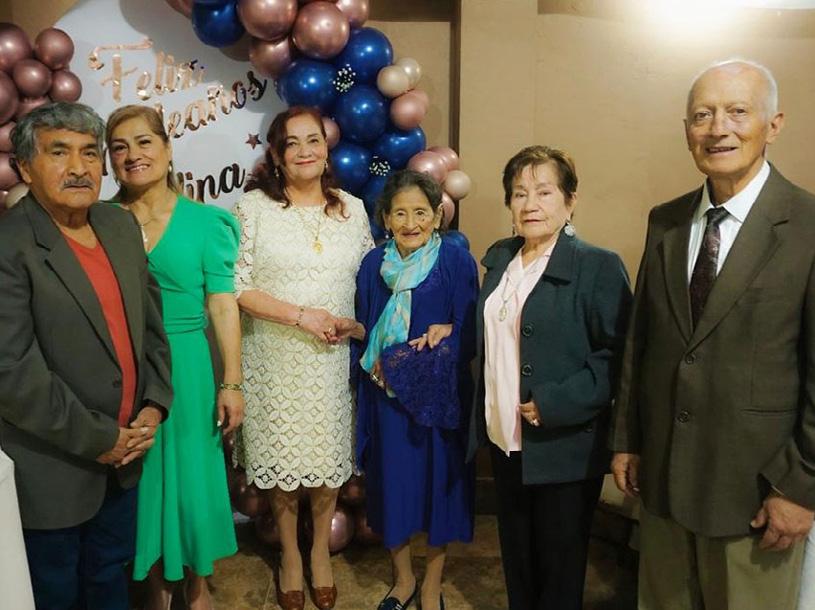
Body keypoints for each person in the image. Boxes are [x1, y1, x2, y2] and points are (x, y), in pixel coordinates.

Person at [610, 59, 815, 610]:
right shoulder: (666, 220)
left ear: (773, 125)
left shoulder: (807, 225)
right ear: (687, 130)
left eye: (737, 111)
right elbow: (641, 342)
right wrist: (628, 439)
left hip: (758, 497)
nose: (718, 128)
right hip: (663, 484)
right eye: (702, 115)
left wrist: (800, 488)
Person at [0, 102, 173, 610]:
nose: (78, 167)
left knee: (109, 579)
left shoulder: (118, 225)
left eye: (89, 153)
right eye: (59, 153)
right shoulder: (10, 246)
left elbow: (151, 326)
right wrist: (101, 439)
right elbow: (12, 372)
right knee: (55, 592)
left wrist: (154, 404)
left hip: (125, 460)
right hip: (52, 470)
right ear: (25, 167)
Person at [467, 145, 632, 610]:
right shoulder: (500, 259)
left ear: (570, 200)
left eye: (544, 192)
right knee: (518, 564)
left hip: (563, 446)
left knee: (559, 572)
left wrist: (555, 402)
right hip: (505, 439)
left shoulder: (597, 266)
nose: (530, 204)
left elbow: (619, 356)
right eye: (519, 193)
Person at [232, 106, 374, 610]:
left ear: (326, 149)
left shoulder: (353, 209)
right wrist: (299, 316)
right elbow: (237, 287)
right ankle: (291, 554)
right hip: (274, 358)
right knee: (283, 461)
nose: (304, 150)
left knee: (328, 464)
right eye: (291, 143)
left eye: (313, 140)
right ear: (276, 155)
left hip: (333, 362)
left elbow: (370, 281)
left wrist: (356, 325)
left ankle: (319, 554)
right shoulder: (252, 208)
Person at [105, 104, 244, 610]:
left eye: (144, 142)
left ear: (167, 149)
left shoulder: (207, 222)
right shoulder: (100, 221)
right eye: (119, 147)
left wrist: (232, 382)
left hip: (187, 367)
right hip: (123, 366)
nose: (132, 155)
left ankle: (197, 586)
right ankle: (154, 587)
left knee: (191, 478)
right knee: (141, 480)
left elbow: (222, 305)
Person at [354, 169, 478, 610]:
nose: (411, 223)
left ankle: (431, 586)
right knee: (394, 489)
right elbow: (366, 329)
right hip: (386, 400)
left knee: (438, 491)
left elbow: (471, 333)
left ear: (437, 216)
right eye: (400, 213)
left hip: (436, 402)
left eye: (421, 212)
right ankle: (404, 580)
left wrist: (449, 332)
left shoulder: (456, 261)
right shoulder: (373, 265)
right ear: (386, 219)